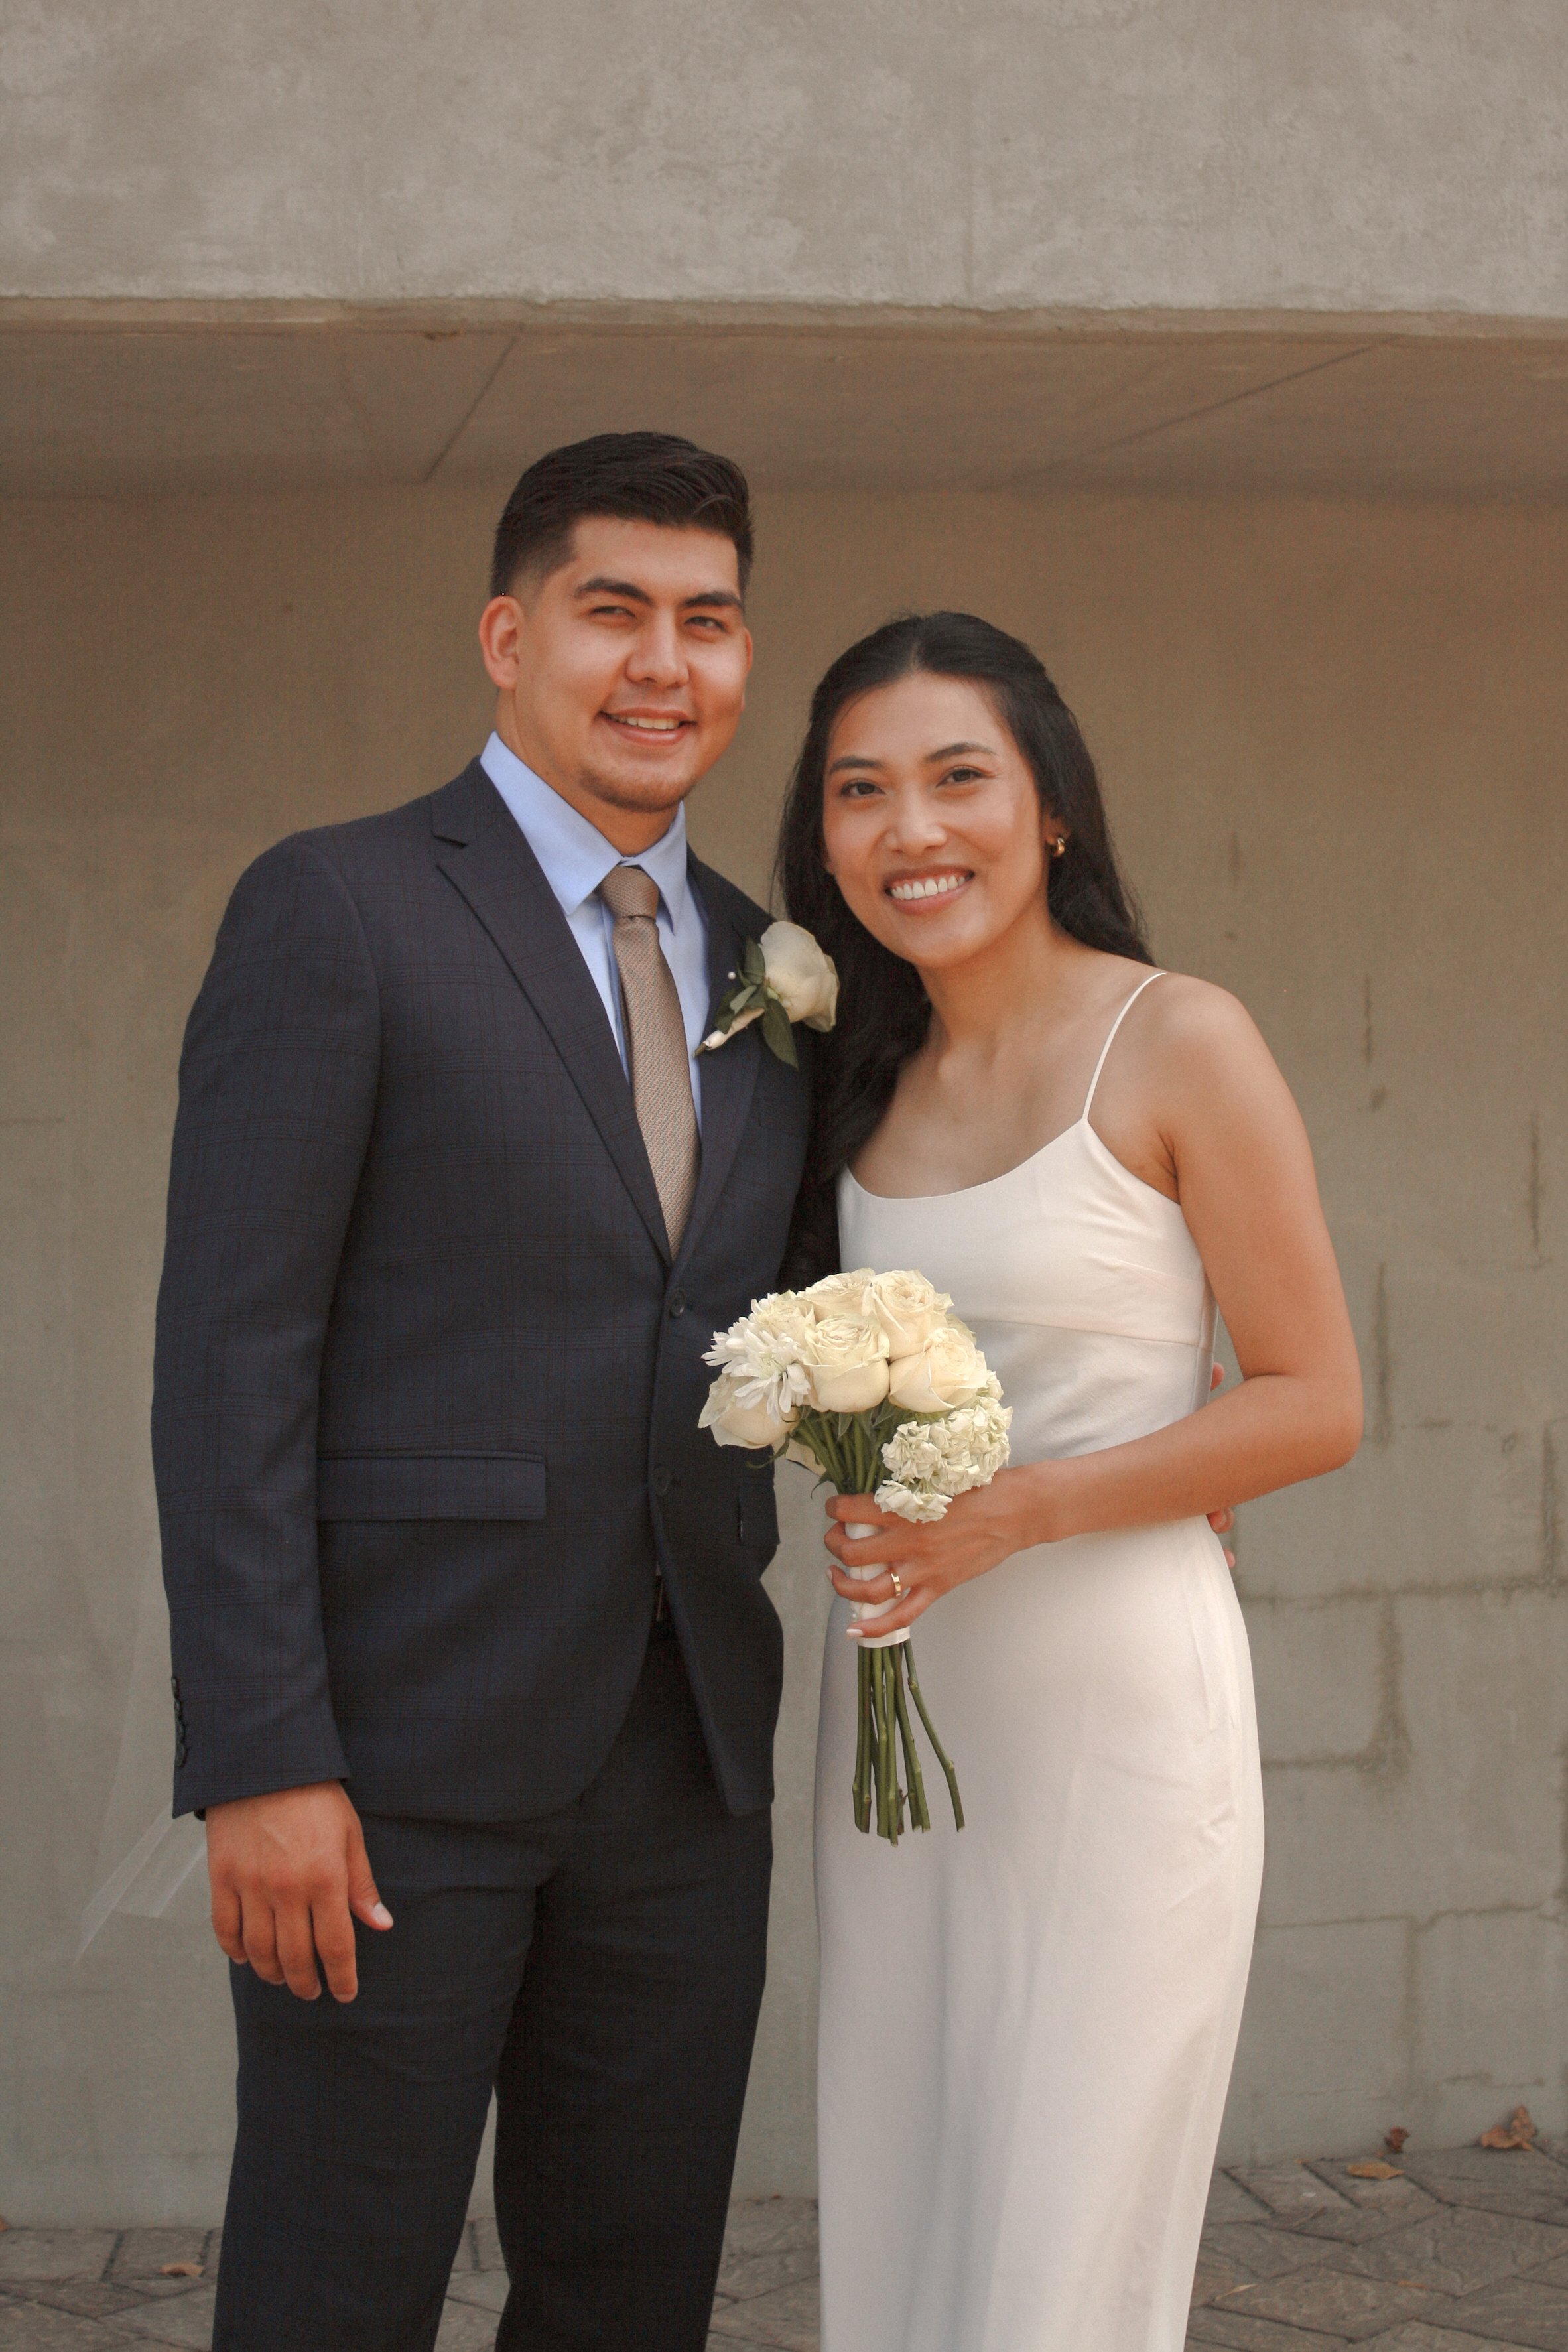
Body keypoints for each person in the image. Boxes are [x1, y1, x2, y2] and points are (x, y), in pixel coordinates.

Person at [152, 434, 814, 2351]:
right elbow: (231, 1362)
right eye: (613, 611)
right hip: (390, 1762)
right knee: (334, 2290)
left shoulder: (774, 963)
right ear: (509, 636)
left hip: (684, 1759)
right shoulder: (339, 908)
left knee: (630, 2294)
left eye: (705, 619)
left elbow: (805, 1297)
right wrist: (263, 1752)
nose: (660, 662)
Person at [777, 612, 1362, 2352]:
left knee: (1063, 2245)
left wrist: (1012, 1512)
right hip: (897, 1719)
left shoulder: (1177, 1038)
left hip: (1111, 1717)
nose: (911, 830)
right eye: (859, 791)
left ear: (1049, 814)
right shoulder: (860, 1082)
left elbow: (1313, 1397)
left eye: (959, 778)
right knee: (906, 2188)